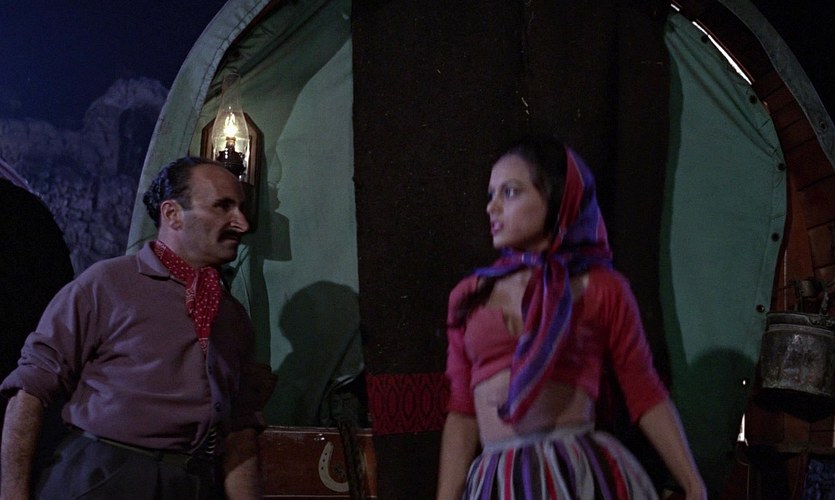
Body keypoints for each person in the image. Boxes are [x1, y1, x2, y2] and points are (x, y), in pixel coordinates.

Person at [436, 136, 706, 499]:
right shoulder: (469, 295)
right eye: (491, 194)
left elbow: (643, 390)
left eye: (510, 192)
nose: (492, 207)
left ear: (556, 197)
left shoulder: (602, 288)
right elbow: (462, 411)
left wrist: (693, 484)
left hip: (574, 475)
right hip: (499, 482)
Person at [0, 157, 266, 499]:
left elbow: (239, 430)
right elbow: (30, 390)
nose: (242, 223)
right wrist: (13, 493)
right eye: (223, 206)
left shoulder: (231, 316)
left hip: (188, 482)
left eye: (241, 208)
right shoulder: (106, 284)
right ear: (172, 214)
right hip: (103, 478)